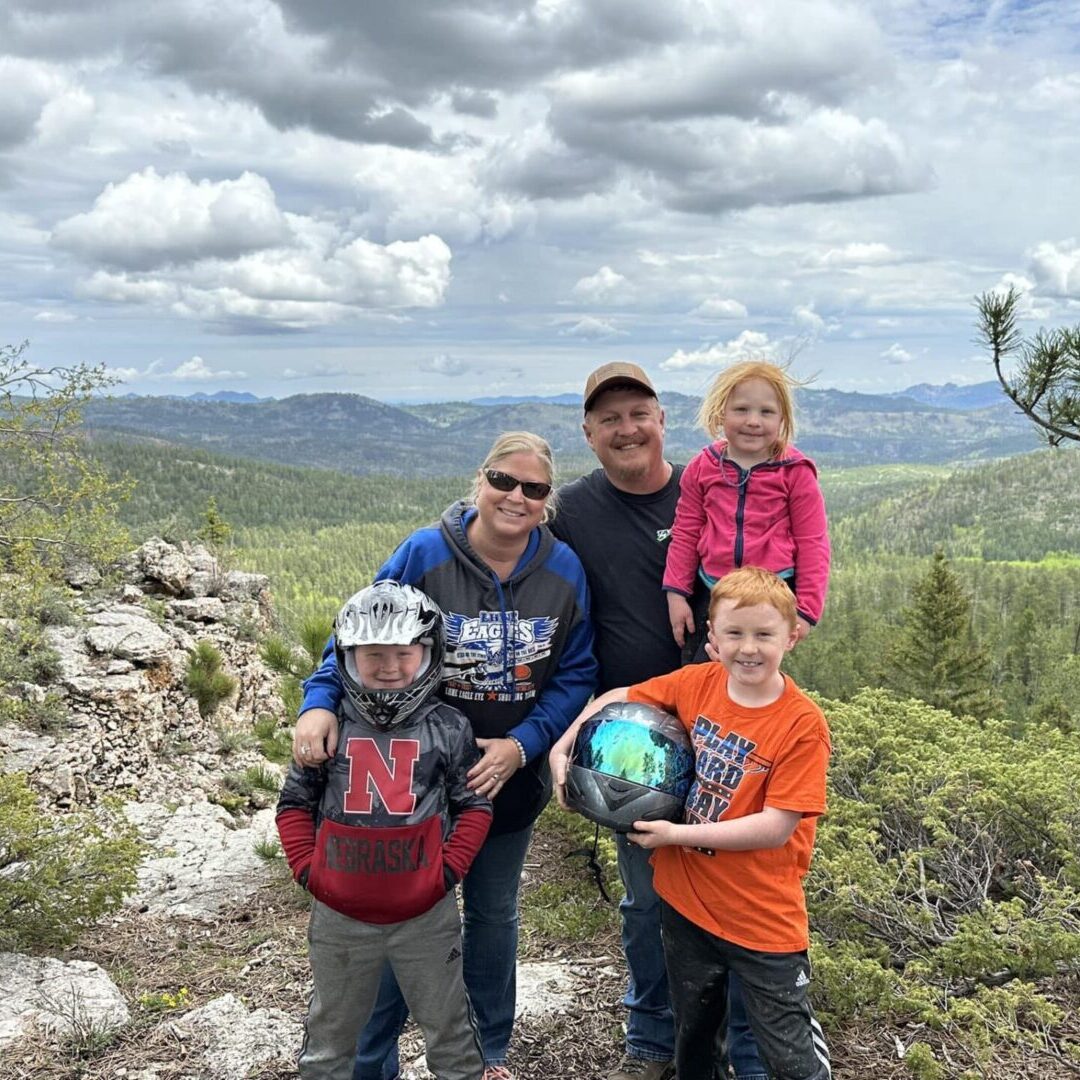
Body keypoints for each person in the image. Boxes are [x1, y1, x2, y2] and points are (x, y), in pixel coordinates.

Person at [292, 431, 597, 1080]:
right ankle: (372, 1058)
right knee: (397, 913)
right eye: (502, 481)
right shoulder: (426, 553)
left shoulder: (563, 569)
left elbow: (576, 671)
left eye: (534, 489)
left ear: (547, 501)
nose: (516, 497)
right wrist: (319, 700)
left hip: (502, 782)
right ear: (478, 482)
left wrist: (524, 745)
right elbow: (359, 627)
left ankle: (484, 1056)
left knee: (492, 916)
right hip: (410, 782)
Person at [549, 362, 767, 1080]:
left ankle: (740, 1035)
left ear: (662, 418)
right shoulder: (574, 510)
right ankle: (651, 1034)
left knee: (733, 888)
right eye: (608, 420)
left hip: (727, 724)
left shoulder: (707, 486)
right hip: (634, 738)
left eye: (637, 413)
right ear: (588, 434)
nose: (625, 429)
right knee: (648, 899)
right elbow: (505, 538)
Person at [554, 567, 832, 1080]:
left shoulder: (801, 724)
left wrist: (678, 835)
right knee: (696, 1045)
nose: (748, 648)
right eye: (734, 633)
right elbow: (619, 696)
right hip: (687, 906)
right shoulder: (697, 683)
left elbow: (776, 826)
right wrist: (564, 745)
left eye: (764, 634)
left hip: (761, 919)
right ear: (712, 637)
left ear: (791, 637)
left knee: (790, 1055)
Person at [276, 581, 492, 1080]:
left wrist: (448, 871)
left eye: (403, 652)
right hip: (340, 916)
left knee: (451, 1032)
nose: (389, 665)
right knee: (330, 1036)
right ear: (349, 656)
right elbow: (293, 804)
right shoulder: (329, 724)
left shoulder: (449, 726)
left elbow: (474, 805)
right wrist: (311, 872)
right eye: (373, 653)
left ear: (429, 653)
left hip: (426, 915)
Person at [663, 360, 830, 656]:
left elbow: (812, 543)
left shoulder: (795, 472)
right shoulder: (703, 468)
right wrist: (677, 593)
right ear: (720, 413)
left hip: (772, 592)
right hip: (711, 590)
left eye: (766, 412)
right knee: (702, 671)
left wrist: (805, 611)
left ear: (782, 419)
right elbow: (686, 533)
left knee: (754, 668)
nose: (754, 421)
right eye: (741, 409)